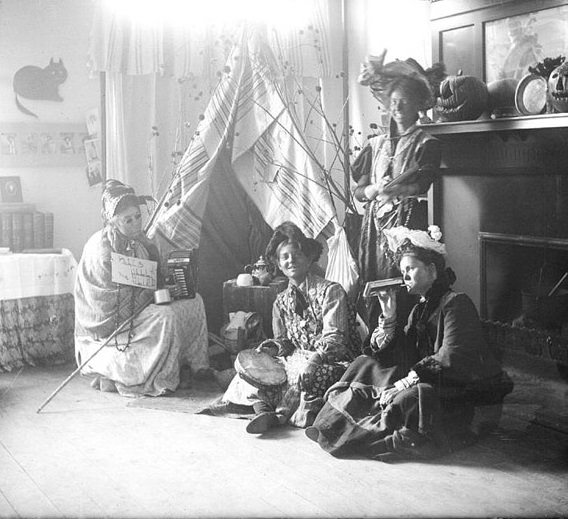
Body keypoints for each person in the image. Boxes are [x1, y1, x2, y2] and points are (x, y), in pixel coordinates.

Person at [305, 226, 513, 460]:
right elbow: (402, 356)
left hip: (457, 389)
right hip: (428, 379)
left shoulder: (456, 304)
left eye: (410, 269)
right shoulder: (418, 311)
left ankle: (359, 436)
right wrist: (390, 316)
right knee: (364, 364)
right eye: (403, 270)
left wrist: (404, 383)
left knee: (410, 397)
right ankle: (332, 426)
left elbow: (452, 357)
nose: (404, 277)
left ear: (432, 270)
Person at [209, 221, 361, 434]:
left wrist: (314, 360)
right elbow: (285, 342)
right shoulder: (280, 301)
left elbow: (335, 340)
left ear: (309, 257)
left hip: (333, 361)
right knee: (250, 373)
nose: (291, 261)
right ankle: (262, 412)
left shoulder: (331, 291)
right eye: (285, 257)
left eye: (297, 255)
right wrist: (269, 349)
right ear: (278, 264)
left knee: (313, 376)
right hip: (297, 359)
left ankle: (281, 414)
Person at [74, 179, 210, 397]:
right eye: (128, 220)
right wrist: (152, 295)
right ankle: (160, 376)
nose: (136, 224)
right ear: (112, 222)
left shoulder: (141, 241)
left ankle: (195, 366)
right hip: (112, 319)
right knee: (165, 315)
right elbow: (105, 301)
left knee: (195, 301)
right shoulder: (101, 249)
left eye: (138, 216)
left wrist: (166, 287)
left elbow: (154, 277)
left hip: (141, 304)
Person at [353, 67, 441, 328]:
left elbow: (423, 183)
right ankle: (377, 344)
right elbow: (358, 192)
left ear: (418, 105)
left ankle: (403, 347)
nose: (398, 106)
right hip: (374, 229)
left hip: (407, 224)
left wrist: (397, 190)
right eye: (393, 101)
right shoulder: (375, 144)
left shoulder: (426, 142)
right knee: (373, 283)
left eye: (404, 101)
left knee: (405, 283)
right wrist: (372, 190)